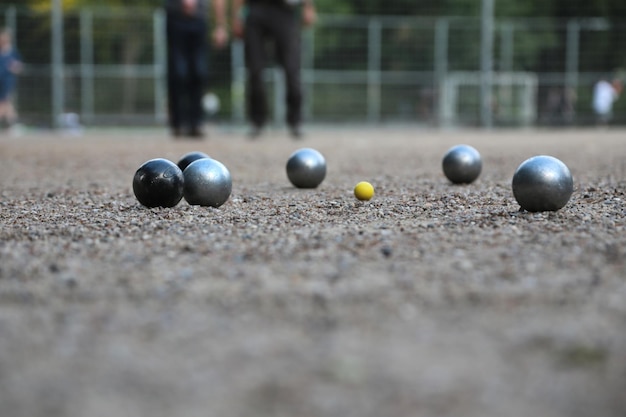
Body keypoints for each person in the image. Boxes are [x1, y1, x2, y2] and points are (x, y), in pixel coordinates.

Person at [231, 0, 317, 139]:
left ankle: (295, 121)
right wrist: (237, 17)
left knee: (292, 69)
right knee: (255, 69)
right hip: (256, 9)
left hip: (284, 9)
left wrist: (308, 6)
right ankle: (257, 121)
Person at [165, 0, 227, 139]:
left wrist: (220, 26)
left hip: (199, 19)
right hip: (176, 17)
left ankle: (196, 122)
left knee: (199, 72)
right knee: (178, 71)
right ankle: (178, 122)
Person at [0, 28, 22, 132]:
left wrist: (14, 67)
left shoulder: (13, 52)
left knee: (5, 102)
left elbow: (18, 67)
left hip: (8, 81)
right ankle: (13, 124)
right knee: (5, 103)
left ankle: (13, 124)